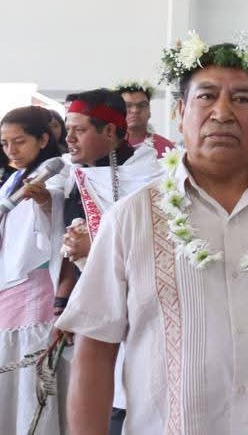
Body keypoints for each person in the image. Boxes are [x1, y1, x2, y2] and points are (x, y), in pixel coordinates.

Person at [58, 33, 248, 435]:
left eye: (241, 99)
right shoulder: (131, 218)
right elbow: (96, 350)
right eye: (206, 97)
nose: (222, 113)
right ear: (182, 110)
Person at [46, 90, 162, 434]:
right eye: (67, 129)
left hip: (146, 311)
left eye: (79, 130)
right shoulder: (77, 176)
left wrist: (93, 246)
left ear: (110, 132)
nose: (67, 139)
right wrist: (65, 305)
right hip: (100, 314)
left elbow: (155, 247)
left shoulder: (153, 178)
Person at [0, 106, 65, 435]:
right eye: (5, 143)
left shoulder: (56, 172)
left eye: (19, 141)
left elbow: (56, 219)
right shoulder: (12, 179)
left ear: (43, 139)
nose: (11, 150)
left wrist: (44, 204)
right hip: (8, 286)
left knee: (30, 376)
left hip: (36, 288)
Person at [114, 80, 176, 154]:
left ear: (149, 112)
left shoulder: (166, 148)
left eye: (141, 105)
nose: (135, 110)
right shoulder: (106, 147)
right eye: (128, 106)